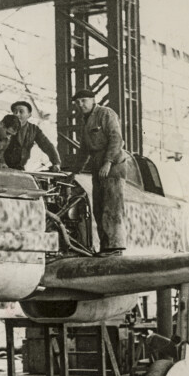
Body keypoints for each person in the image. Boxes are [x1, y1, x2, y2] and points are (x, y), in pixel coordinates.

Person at [72, 89, 127, 256]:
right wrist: (75, 171)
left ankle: (115, 247)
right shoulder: (86, 121)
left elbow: (116, 138)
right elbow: (84, 149)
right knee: (98, 207)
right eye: (78, 102)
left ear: (93, 100)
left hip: (113, 166)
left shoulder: (106, 113)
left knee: (111, 206)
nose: (80, 104)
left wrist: (108, 162)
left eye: (83, 101)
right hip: (98, 167)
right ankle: (106, 247)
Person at [3, 100, 61, 172]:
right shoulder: (5, 126)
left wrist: (56, 163)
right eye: (15, 112)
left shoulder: (34, 130)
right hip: (3, 165)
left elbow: (47, 146)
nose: (17, 114)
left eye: (21, 112)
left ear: (29, 115)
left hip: (20, 168)